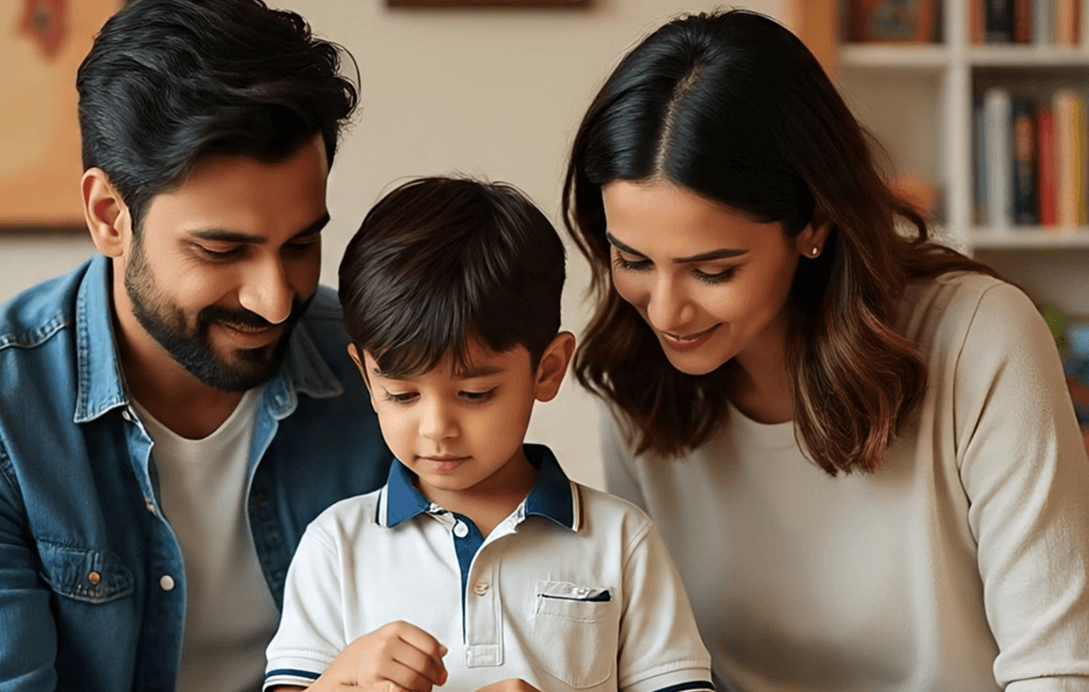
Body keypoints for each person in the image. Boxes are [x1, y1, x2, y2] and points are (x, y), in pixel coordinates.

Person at [562, 9, 1089, 692]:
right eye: (632, 260)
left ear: (813, 221)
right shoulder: (634, 378)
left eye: (712, 270)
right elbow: (658, 666)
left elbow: (1057, 671)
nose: (664, 311)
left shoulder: (981, 340)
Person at [0, 2, 391, 691]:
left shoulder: (383, 369)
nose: (275, 300)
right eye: (222, 250)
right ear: (109, 216)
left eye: (301, 244)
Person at [261, 177, 716, 692]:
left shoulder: (621, 541)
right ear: (366, 378)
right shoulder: (335, 545)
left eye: (474, 394)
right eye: (402, 395)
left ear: (548, 370)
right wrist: (343, 679)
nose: (437, 429)